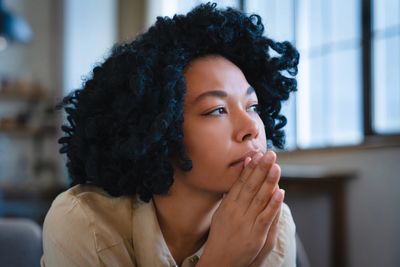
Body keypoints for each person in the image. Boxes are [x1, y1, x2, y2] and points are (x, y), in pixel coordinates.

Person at [41, 3, 299, 267]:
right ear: (159, 130)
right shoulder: (83, 225)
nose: (252, 128)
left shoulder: (273, 225)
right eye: (217, 110)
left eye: (252, 107)